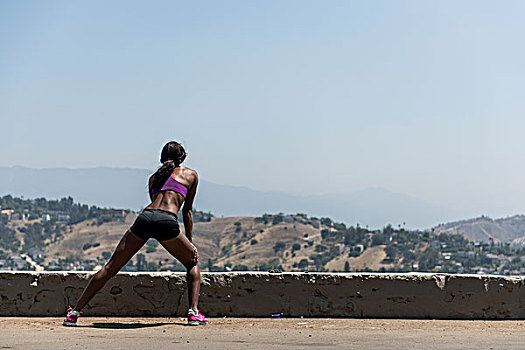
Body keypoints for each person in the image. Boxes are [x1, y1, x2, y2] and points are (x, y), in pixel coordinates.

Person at [63, 141, 208, 326]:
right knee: (192, 261)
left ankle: (74, 313)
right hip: (166, 221)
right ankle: (193, 313)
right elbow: (187, 211)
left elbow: (155, 207)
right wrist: (189, 241)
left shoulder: (154, 178)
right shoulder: (191, 175)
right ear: (183, 157)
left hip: (145, 218)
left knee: (110, 268)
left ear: (162, 158)